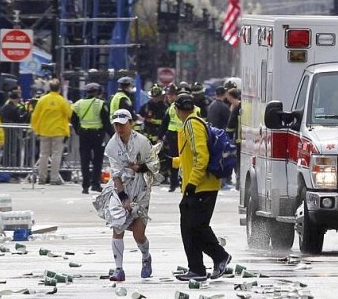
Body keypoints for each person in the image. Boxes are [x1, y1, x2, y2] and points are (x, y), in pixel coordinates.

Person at [172, 93, 232, 281]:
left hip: (201, 186)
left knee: (197, 227)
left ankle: (220, 257)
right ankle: (196, 268)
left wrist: (192, 183)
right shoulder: (193, 122)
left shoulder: (191, 124)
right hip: (199, 185)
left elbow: (202, 157)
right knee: (190, 228)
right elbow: (190, 158)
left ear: (177, 110)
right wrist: (171, 162)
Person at [95, 109, 159, 281]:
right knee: (117, 225)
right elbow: (115, 174)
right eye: (116, 125)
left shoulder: (142, 142)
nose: (119, 128)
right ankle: (119, 269)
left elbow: (154, 163)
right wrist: (123, 198)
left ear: (130, 123)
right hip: (121, 187)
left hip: (141, 188)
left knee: (138, 233)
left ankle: (146, 257)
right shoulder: (112, 146)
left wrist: (140, 168)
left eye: (122, 125)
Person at [71, 83, 112, 194]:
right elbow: (106, 122)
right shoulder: (101, 104)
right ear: (97, 92)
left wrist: (78, 131)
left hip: (84, 135)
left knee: (85, 160)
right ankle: (95, 184)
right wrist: (114, 135)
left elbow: (73, 119)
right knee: (97, 161)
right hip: (98, 135)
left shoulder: (78, 104)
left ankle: (85, 186)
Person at [30, 79, 72, 185]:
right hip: (58, 131)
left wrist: (35, 129)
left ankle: (41, 178)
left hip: (44, 131)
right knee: (56, 155)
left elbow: (35, 115)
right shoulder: (62, 101)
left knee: (43, 155)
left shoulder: (42, 100)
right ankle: (54, 178)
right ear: (59, 89)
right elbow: (69, 114)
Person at [225, 88, 242, 190]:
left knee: (238, 163)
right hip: (250, 140)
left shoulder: (237, 107)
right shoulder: (247, 106)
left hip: (239, 140)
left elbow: (230, 125)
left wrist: (228, 137)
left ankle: (239, 184)